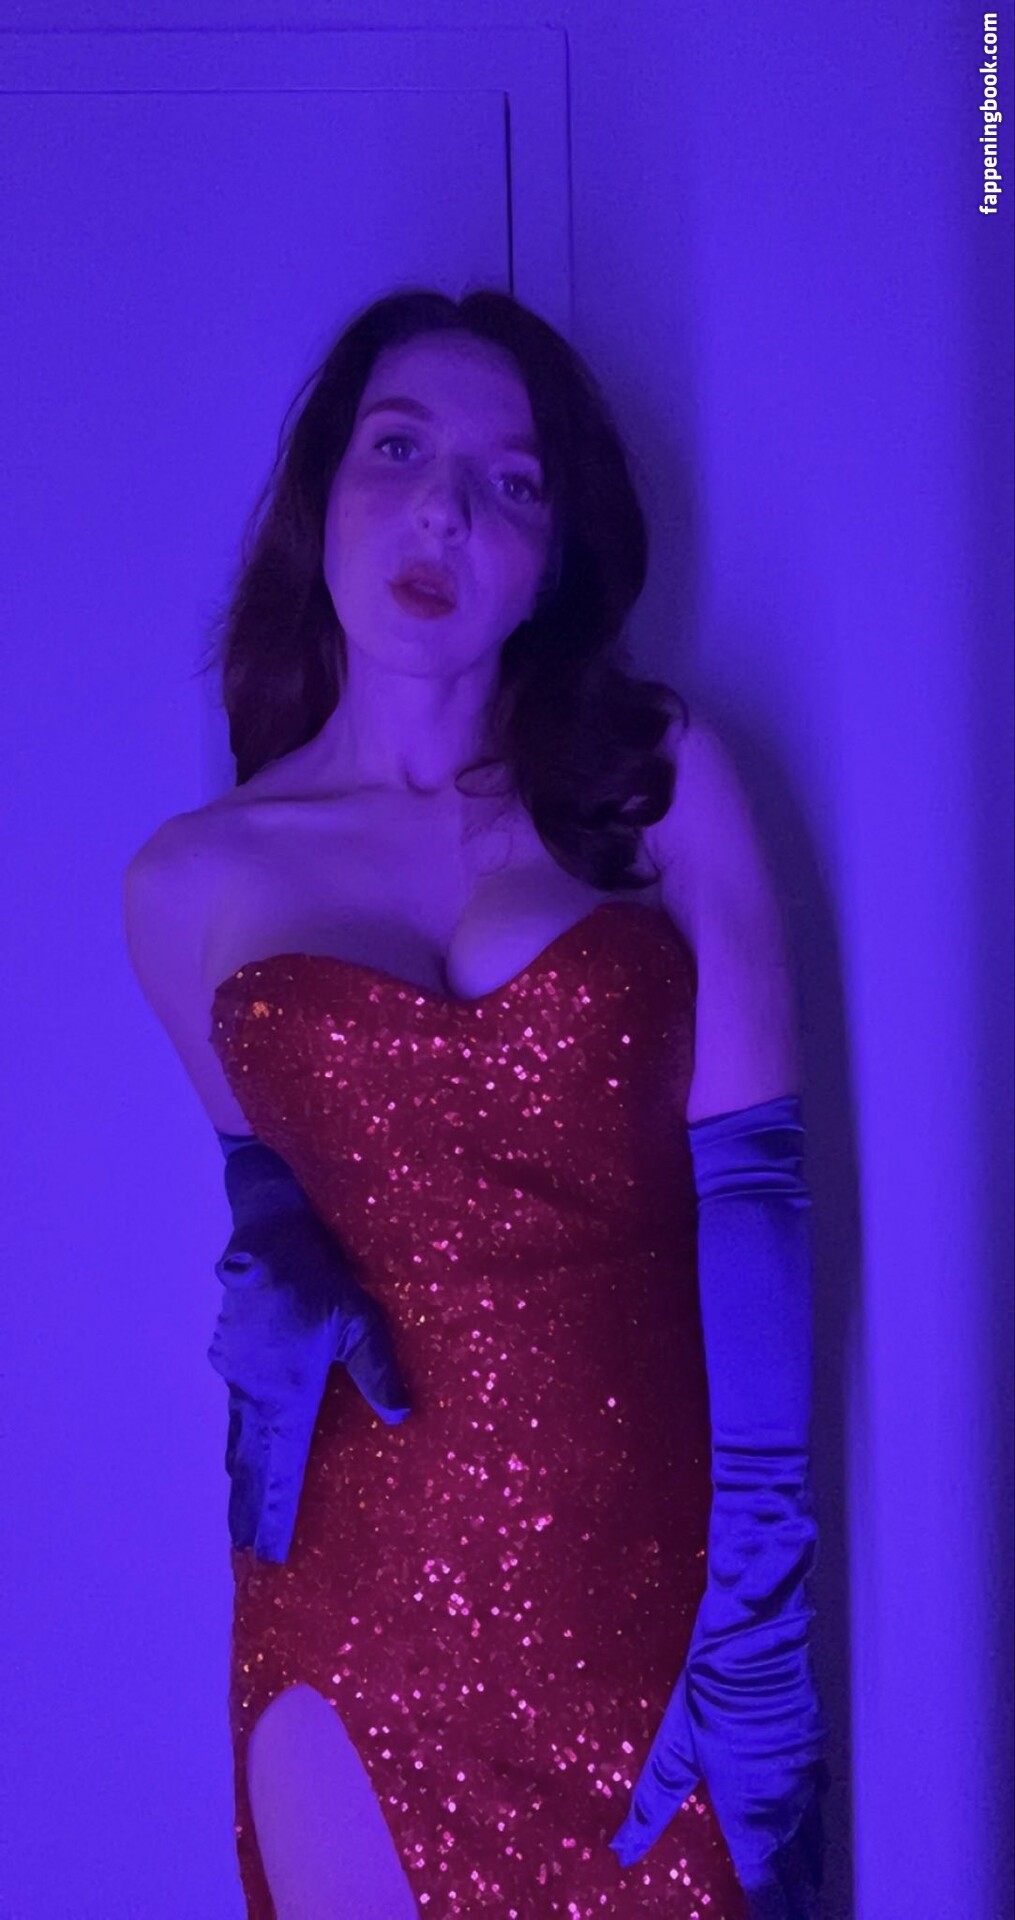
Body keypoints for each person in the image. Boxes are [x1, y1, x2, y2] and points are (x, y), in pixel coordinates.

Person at [124, 286, 829, 1919]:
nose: (444, 508)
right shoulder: (184, 885)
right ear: (322, 493)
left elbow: (758, 1193)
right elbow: (267, 1178)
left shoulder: (657, 779)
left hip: (656, 1590)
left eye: (513, 481)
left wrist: (760, 1609)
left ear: (554, 554)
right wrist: (267, 1241)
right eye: (399, 448)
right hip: (348, 1592)